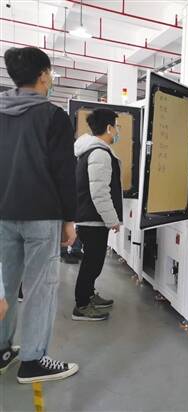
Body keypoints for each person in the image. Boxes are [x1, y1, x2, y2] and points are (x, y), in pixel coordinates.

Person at [0, 47, 79, 382]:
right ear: (44, 75)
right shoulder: (52, 115)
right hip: (41, 214)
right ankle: (33, 360)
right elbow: (64, 171)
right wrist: (69, 219)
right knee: (38, 289)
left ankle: (2, 350)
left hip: (2, 215)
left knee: (5, 285)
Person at [73, 108, 122, 321]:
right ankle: (82, 306)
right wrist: (112, 220)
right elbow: (99, 192)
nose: (117, 131)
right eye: (116, 126)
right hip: (93, 219)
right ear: (109, 127)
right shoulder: (99, 153)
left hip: (91, 218)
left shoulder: (92, 151)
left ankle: (89, 295)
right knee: (92, 264)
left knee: (94, 262)